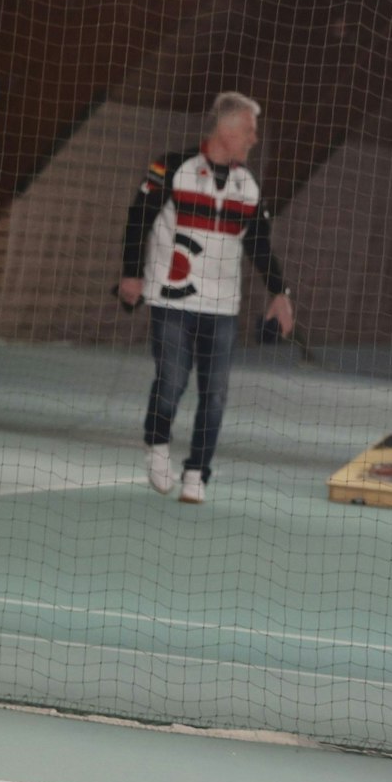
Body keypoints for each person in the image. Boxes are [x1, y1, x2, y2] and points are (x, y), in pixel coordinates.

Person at [119, 92, 294, 504]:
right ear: (228, 130)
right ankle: (157, 445)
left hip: (222, 310)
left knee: (215, 393)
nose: (254, 139)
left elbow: (261, 246)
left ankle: (197, 471)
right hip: (172, 302)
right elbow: (137, 220)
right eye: (250, 132)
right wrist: (130, 274)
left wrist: (280, 293)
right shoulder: (171, 167)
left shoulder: (246, 185)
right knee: (171, 383)